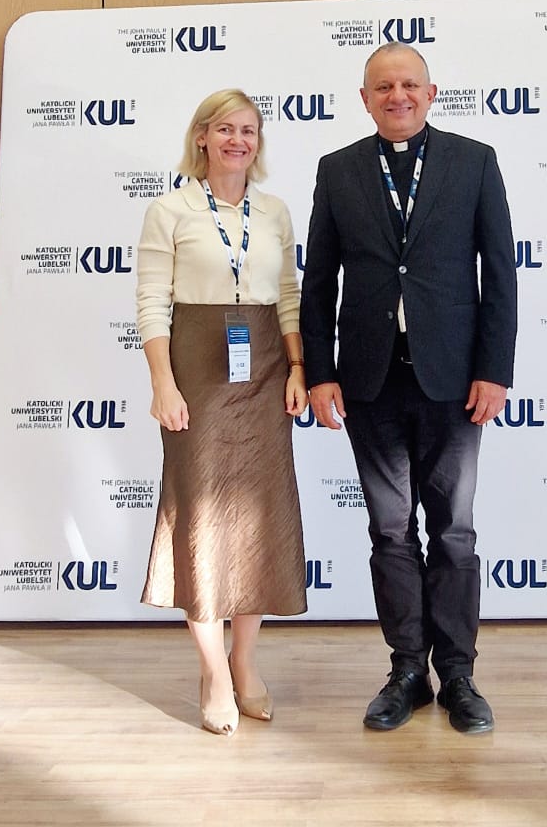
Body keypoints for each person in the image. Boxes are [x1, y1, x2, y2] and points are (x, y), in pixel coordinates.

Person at [300, 44, 517, 735]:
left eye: (409, 85)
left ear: (431, 92)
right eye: (383, 87)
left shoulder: (473, 161)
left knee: (452, 530)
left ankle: (458, 675)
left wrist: (495, 369)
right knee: (390, 530)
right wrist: (320, 372)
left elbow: (499, 273)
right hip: (369, 380)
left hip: (453, 381)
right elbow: (318, 281)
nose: (398, 96)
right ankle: (406, 673)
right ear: (364, 99)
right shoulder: (337, 170)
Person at [136, 89, 307, 735]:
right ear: (202, 137)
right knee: (201, 519)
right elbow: (152, 302)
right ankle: (212, 672)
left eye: (249, 130)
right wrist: (163, 383)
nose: (238, 140)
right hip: (196, 369)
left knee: (258, 517)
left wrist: (297, 367)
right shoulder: (170, 210)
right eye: (226, 129)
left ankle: (244, 662)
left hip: (265, 369)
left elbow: (287, 295)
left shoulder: (274, 212)